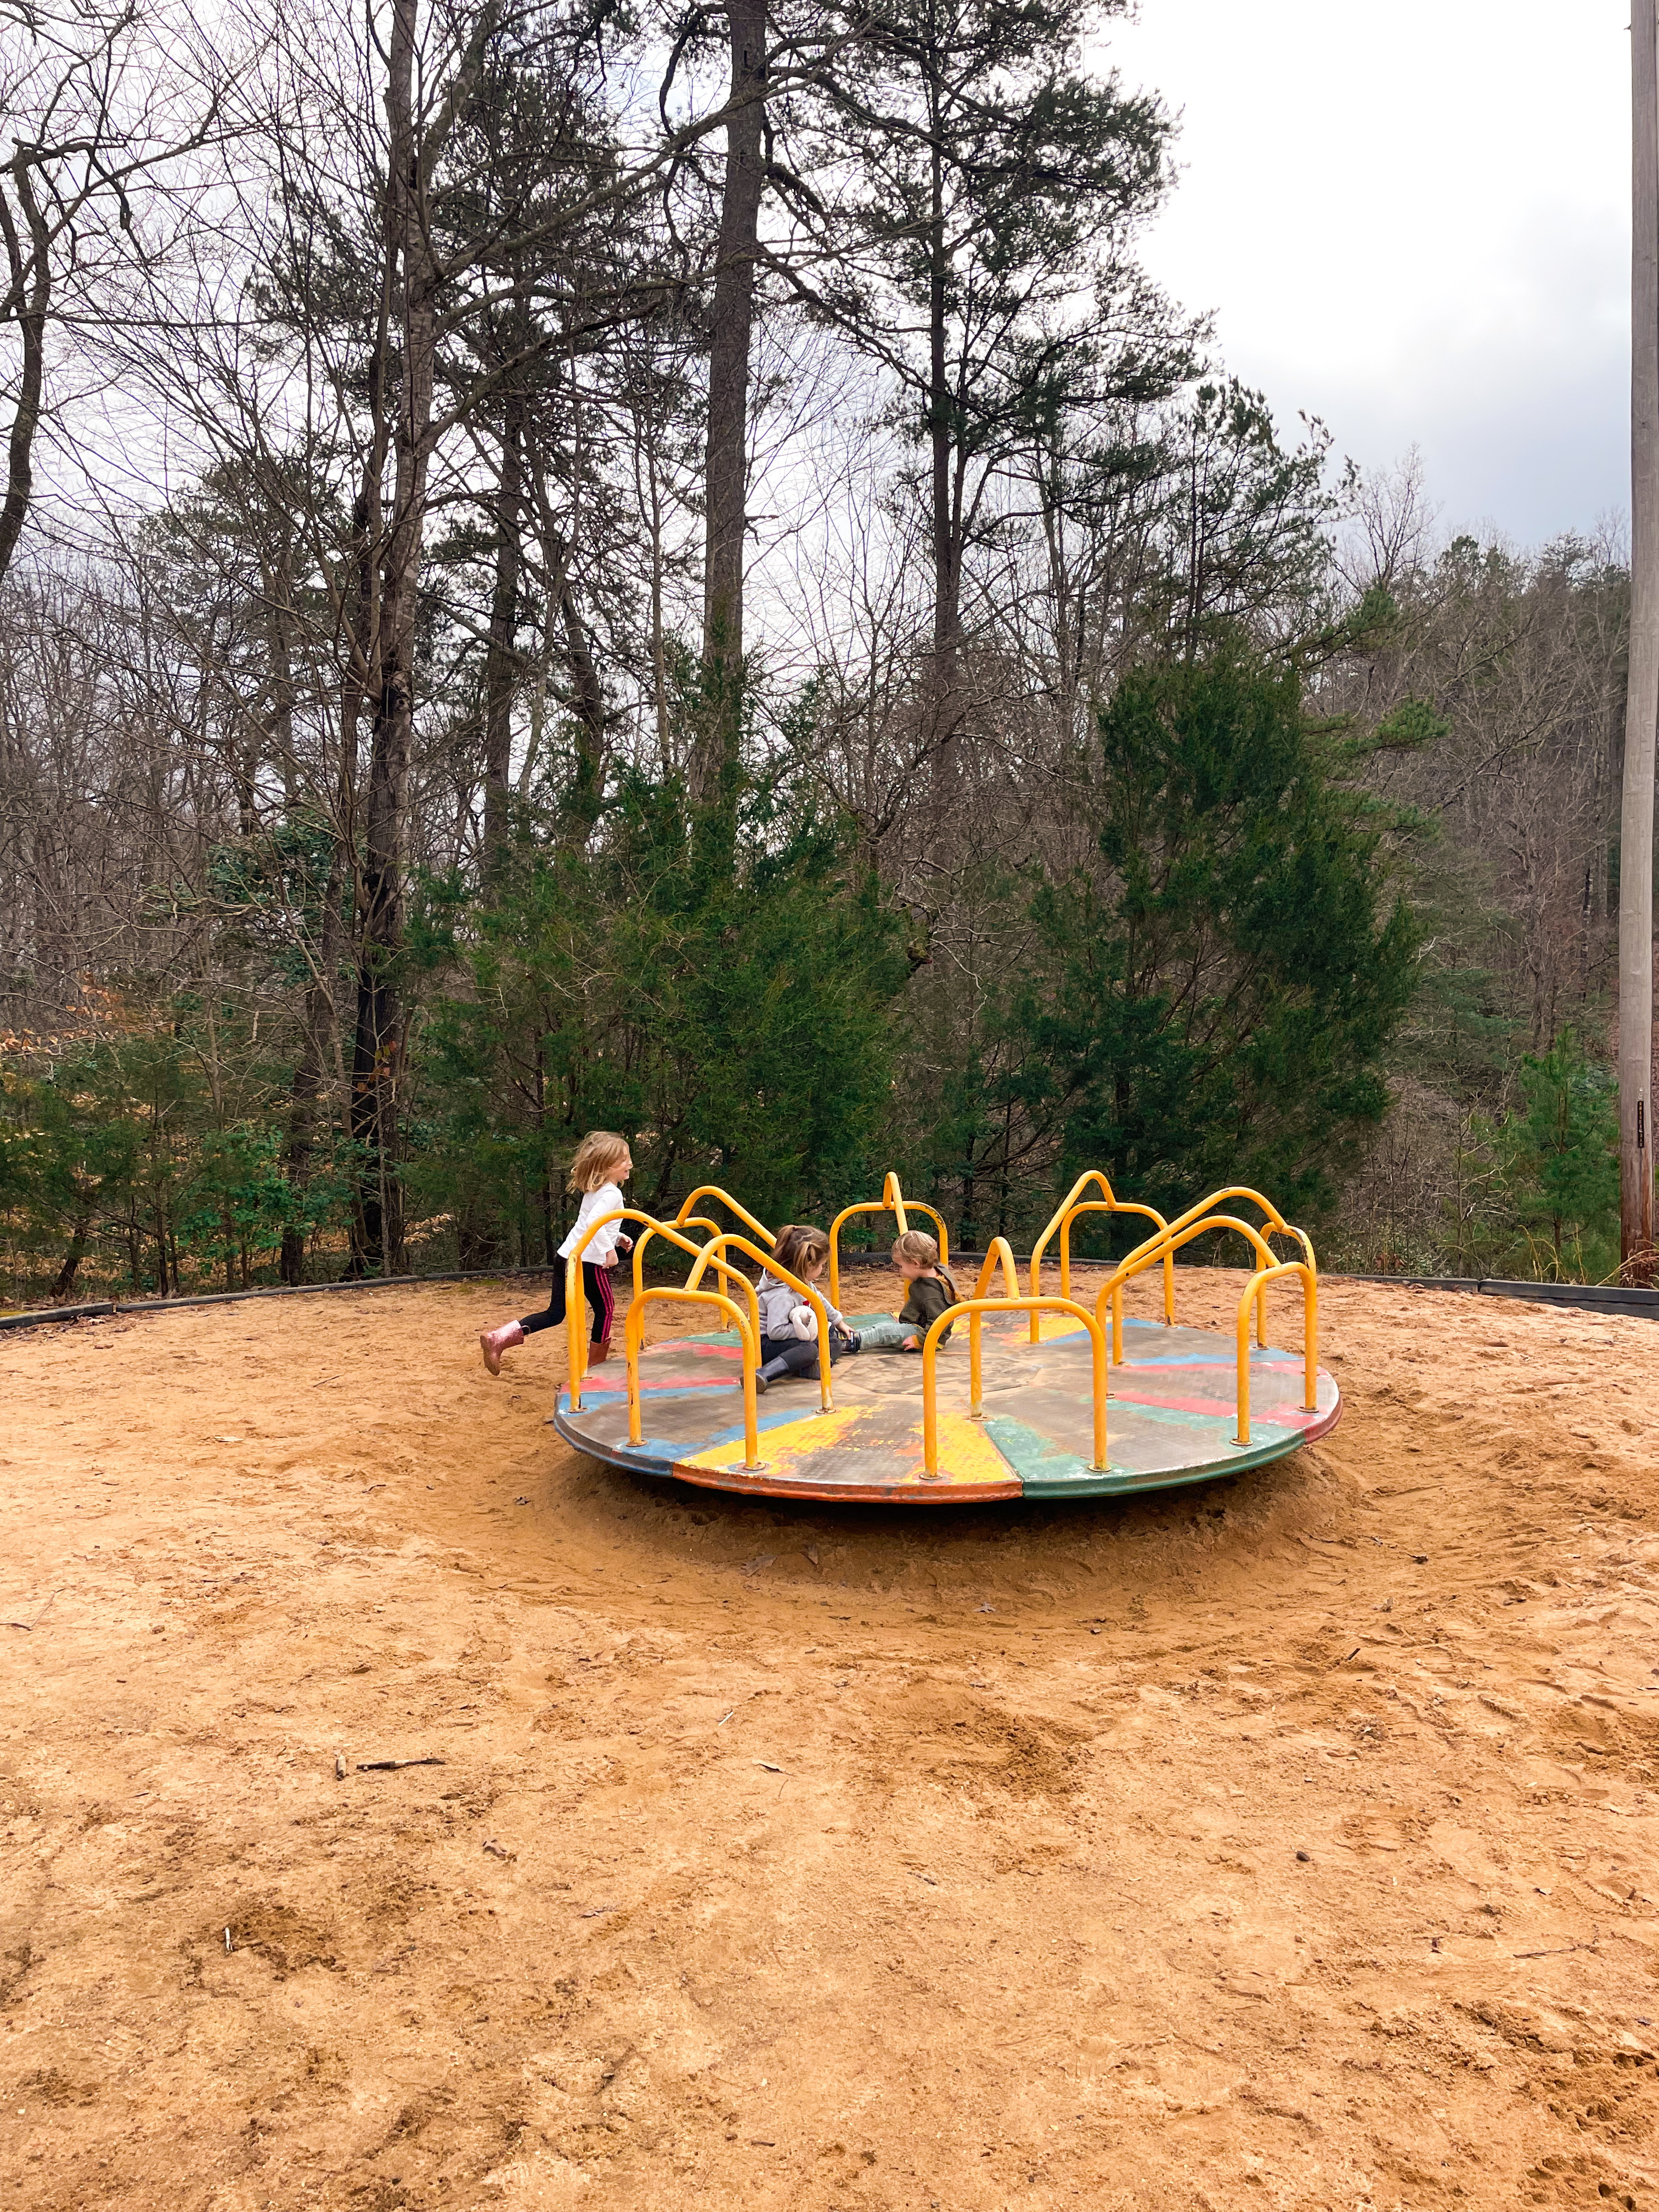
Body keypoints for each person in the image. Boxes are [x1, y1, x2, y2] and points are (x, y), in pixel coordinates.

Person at [479, 1131, 634, 1375]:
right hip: (587, 1262)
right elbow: (595, 1221)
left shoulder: (595, 1190)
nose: (630, 1164)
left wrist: (617, 1237)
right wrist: (609, 1251)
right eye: (624, 1160)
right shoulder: (612, 1193)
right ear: (608, 1166)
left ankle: (499, 1338)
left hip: (566, 1257)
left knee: (555, 1313)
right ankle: (597, 1368)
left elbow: (590, 1223)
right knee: (606, 1309)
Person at [753, 1223, 861, 1391]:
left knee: (833, 1342)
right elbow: (775, 1332)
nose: (823, 1268)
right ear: (809, 1265)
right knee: (809, 1349)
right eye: (822, 1265)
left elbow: (820, 1301)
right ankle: (764, 1374)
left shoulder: (802, 1281)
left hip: (789, 1339)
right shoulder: (782, 1295)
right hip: (767, 1345)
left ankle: (813, 1367)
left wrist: (839, 1322)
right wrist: (809, 1332)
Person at [893, 1229, 961, 1352]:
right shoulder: (938, 1270)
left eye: (901, 1266)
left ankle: (855, 1341)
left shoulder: (931, 1292)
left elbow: (941, 1320)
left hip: (929, 1338)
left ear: (915, 1263)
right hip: (922, 1329)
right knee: (887, 1328)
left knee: (883, 1333)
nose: (900, 1271)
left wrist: (920, 1340)